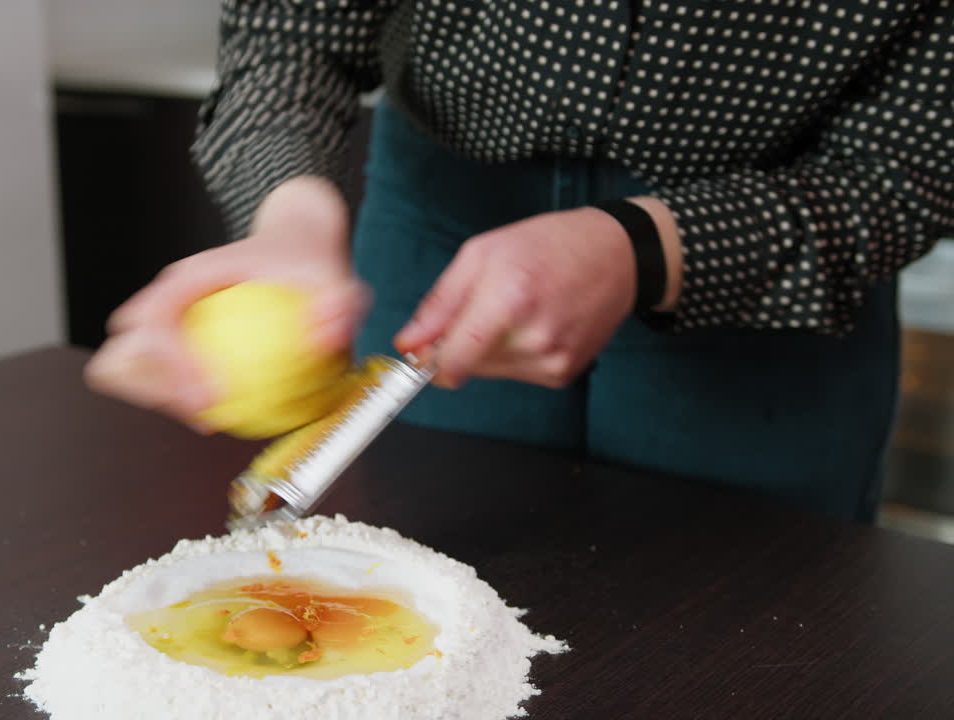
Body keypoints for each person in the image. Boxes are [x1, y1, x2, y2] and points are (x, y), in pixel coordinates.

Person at [85, 1, 954, 524]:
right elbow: (289, 29)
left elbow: (913, 168)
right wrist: (291, 216)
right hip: (436, 217)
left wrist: (642, 245)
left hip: (769, 265)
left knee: (744, 638)